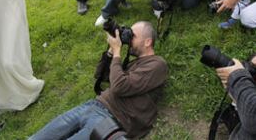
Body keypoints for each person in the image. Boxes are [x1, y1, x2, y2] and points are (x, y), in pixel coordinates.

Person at [29, 21, 168, 139]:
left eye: (133, 35)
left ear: (148, 42)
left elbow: (120, 86)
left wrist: (118, 53)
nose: (129, 39)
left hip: (110, 120)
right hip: (92, 105)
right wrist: (111, 52)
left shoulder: (157, 65)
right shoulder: (133, 63)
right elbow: (102, 77)